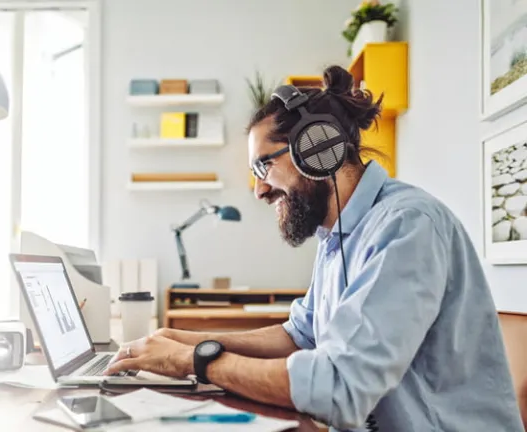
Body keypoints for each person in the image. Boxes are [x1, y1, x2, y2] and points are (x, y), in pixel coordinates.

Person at [105, 65, 525, 431]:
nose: (258, 190)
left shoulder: (407, 225)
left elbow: (338, 388)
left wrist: (194, 359)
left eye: (262, 166)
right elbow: (299, 336)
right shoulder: (338, 235)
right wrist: (180, 339)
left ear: (317, 149)